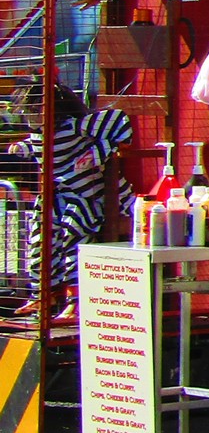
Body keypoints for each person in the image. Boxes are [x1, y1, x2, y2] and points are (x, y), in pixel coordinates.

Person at [3, 83, 132, 312]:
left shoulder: (74, 127)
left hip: (83, 197)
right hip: (56, 198)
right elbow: (34, 147)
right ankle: (43, 294)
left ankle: (76, 301)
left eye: (33, 110)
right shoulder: (38, 134)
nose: (28, 117)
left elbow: (118, 124)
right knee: (38, 239)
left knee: (73, 236)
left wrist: (95, 154)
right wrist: (19, 148)